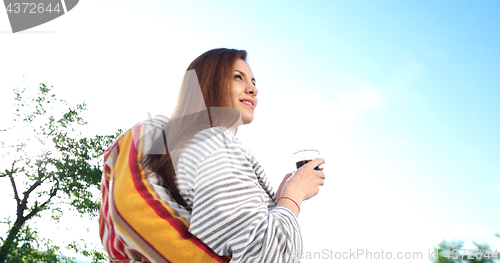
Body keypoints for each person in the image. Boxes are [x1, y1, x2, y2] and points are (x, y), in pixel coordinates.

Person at [99, 48, 326, 263]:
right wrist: (293, 195)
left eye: (254, 82)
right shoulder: (213, 141)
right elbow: (263, 255)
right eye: (238, 77)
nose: (253, 89)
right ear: (207, 84)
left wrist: (274, 206)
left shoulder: (197, 144)